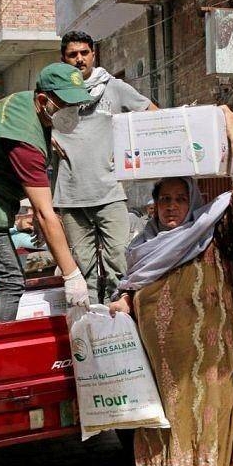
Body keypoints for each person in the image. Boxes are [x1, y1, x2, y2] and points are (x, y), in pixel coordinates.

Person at [108, 106, 233, 466]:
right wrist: (123, 301)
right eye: (164, 200)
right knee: (162, 449)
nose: (172, 208)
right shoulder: (142, 249)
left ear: (193, 201)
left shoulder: (214, 235)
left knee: (209, 451)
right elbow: (132, 284)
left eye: (180, 199)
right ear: (153, 205)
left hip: (210, 372)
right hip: (159, 377)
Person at [0, 62, 94, 328]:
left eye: (76, 105)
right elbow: (46, 214)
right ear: (43, 100)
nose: (72, 112)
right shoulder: (26, 143)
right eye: (66, 105)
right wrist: (71, 274)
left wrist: (49, 138)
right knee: (11, 280)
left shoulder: (27, 105)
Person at [52, 30, 158, 305]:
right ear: (63, 59)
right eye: (72, 55)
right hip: (71, 196)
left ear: (93, 54)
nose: (79, 59)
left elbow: (154, 116)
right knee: (82, 272)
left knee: (120, 265)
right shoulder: (52, 95)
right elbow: (34, 126)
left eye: (84, 53)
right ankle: (91, 334)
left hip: (110, 192)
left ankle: (123, 329)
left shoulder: (114, 87)